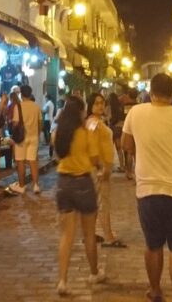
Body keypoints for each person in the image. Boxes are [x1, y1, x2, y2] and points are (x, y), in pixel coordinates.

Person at [122, 73, 172, 302]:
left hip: (148, 190)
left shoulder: (136, 113)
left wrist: (143, 156)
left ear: (151, 90)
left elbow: (126, 144)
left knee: (153, 244)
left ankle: (155, 289)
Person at [54, 95, 106, 296]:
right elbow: (94, 158)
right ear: (79, 112)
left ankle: (62, 281)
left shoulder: (60, 133)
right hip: (82, 182)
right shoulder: (85, 132)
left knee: (66, 235)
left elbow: (58, 155)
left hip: (63, 182)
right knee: (88, 233)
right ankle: (94, 272)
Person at [87, 93, 126, 249]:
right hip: (99, 168)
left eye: (102, 103)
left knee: (99, 203)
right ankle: (108, 236)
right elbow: (92, 146)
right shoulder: (92, 123)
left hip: (103, 167)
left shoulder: (98, 121)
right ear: (90, 105)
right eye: (96, 103)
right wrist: (101, 167)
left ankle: (91, 233)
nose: (100, 106)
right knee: (103, 203)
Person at [9, 84, 43, 194]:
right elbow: (40, 123)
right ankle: (36, 185)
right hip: (34, 138)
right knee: (33, 161)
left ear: (21, 94)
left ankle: (22, 186)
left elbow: (15, 123)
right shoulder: (36, 106)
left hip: (22, 138)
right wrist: (37, 135)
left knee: (20, 162)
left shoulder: (18, 106)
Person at [119, 87, 139, 179]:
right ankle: (137, 172)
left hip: (128, 129)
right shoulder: (139, 106)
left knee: (128, 152)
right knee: (136, 152)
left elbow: (125, 117)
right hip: (137, 129)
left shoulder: (126, 106)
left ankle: (129, 172)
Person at [108, 90, 126, 173]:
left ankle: (109, 166)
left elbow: (109, 117)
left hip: (112, 128)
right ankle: (122, 166)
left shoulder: (109, 107)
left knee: (110, 148)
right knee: (119, 149)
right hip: (120, 128)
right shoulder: (120, 107)